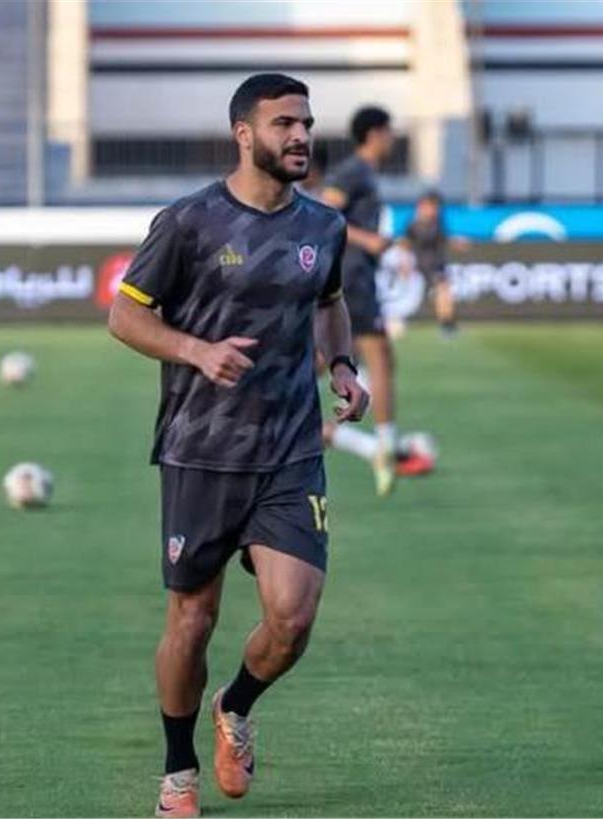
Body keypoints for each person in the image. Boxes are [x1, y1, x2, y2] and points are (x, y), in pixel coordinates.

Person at [107, 73, 369, 819]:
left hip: (289, 449)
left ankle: (236, 704)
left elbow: (330, 303)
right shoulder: (188, 223)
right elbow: (126, 317)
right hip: (200, 450)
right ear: (244, 134)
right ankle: (177, 769)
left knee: (293, 619)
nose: (301, 136)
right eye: (284, 123)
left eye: (307, 123)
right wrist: (196, 350)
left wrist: (341, 365)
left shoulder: (323, 227)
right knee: (192, 621)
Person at [319, 106, 400, 495]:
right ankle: (385, 446)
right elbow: (325, 212)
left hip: (357, 276)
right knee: (377, 353)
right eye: (389, 132)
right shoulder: (353, 171)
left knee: (327, 358)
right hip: (350, 277)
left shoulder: (365, 173)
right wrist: (368, 241)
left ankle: (380, 445)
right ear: (375, 133)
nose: (393, 139)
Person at [404, 190, 471, 337]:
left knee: (444, 292)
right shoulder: (414, 225)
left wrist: (457, 243)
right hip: (424, 264)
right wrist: (406, 263)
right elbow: (407, 245)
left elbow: (444, 239)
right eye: (431, 206)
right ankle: (446, 324)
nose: (434, 210)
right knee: (441, 291)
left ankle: (447, 323)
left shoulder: (438, 222)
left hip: (438, 263)